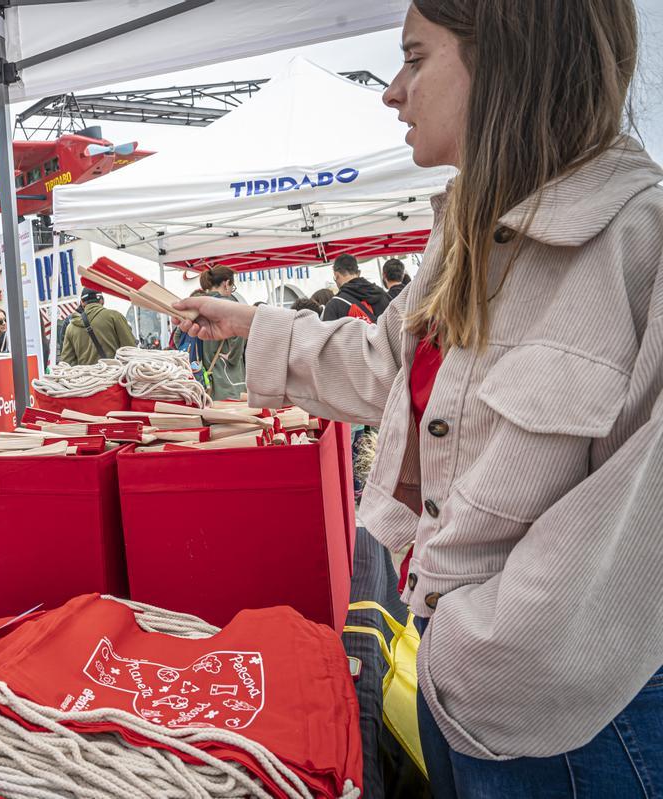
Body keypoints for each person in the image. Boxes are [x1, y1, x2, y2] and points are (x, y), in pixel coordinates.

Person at [175, 0, 661, 793]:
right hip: (463, 678)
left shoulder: (640, 241)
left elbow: (635, 533)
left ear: (506, 59)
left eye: (415, 57)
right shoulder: (467, 230)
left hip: (583, 719)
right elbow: (386, 366)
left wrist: (475, 643)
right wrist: (251, 324)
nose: (392, 91)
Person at [193, 266, 246, 401]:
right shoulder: (229, 305)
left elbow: (178, 337)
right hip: (228, 380)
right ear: (226, 283)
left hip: (202, 380)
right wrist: (233, 357)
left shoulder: (196, 304)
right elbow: (241, 334)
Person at [59, 288, 136, 366]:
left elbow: (66, 362)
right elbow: (130, 349)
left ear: (82, 303)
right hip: (114, 374)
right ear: (102, 300)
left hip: (86, 377)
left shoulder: (70, 327)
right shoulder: (114, 316)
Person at [320, 255, 390, 322]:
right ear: (358, 273)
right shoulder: (381, 293)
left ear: (336, 275)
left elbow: (329, 333)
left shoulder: (334, 304)